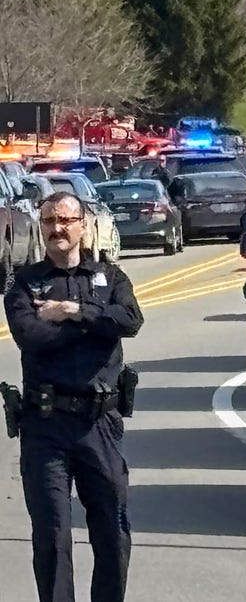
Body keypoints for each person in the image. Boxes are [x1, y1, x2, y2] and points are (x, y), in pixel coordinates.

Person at [5, 192, 144, 602]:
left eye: (65, 220)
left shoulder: (111, 277)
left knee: (112, 531)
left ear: (83, 224)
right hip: (45, 425)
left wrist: (71, 311)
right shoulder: (24, 283)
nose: (57, 229)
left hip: (99, 423)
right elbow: (31, 336)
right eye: (49, 221)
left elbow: (130, 320)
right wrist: (96, 326)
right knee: (52, 534)